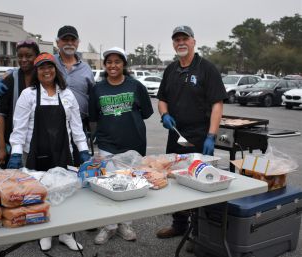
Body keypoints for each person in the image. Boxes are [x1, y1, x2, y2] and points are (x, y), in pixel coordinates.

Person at [7, 52, 91, 252]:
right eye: (42, 67)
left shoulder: (67, 94)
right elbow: (18, 128)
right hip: (36, 153)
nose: (47, 70)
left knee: (66, 194)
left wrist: (84, 151)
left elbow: (77, 128)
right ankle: (44, 233)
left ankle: (66, 234)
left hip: (64, 152)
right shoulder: (28, 94)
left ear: (56, 69)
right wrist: (16, 153)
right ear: (37, 71)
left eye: (50, 66)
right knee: (41, 195)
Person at [155, 25, 227, 248]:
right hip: (175, 134)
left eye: (184, 38)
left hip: (199, 135)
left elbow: (217, 104)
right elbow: (162, 99)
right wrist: (165, 114)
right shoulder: (171, 70)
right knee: (176, 179)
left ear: (194, 41)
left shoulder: (206, 69)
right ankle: (179, 224)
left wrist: (211, 135)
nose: (180, 43)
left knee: (199, 182)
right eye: (176, 40)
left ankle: (198, 233)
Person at [89, 47, 154, 245]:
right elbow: (93, 117)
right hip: (107, 143)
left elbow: (145, 112)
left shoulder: (136, 86)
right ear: (105, 65)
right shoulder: (97, 89)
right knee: (109, 185)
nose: (113, 65)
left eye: (117, 61)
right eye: (109, 62)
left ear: (124, 64)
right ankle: (108, 226)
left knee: (129, 186)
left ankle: (126, 224)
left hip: (133, 145)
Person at [0, 39, 40, 168]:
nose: (24, 59)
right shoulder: (9, 80)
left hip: (37, 144)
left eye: (29, 56)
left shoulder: (43, 79)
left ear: (37, 57)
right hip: (14, 145)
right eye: (20, 56)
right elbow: (0, 115)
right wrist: (2, 147)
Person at [54, 25, 95, 165]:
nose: (70, 43)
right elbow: (25, 68)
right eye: (65, 40)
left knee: (78, 166)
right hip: (53, 126)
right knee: (57, 167)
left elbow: (93, 95)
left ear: (78, 42)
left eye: (73, 39)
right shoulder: (49, 63)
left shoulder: (86, 68)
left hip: (80, 125)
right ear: (57, 42)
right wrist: (7, 75)